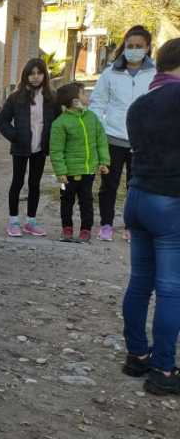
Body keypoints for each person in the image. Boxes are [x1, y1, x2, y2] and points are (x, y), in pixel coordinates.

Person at [120, 37, 180, 396]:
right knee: (171, 289)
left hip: (138, 198)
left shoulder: (139, 104)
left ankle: (137, 355)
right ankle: (164, 371)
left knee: (140, 280)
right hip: (169, 202)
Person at [90, 25, 156, 241]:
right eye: (130, 46)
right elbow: (97, 103)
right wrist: (101, 129)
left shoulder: (155, 73)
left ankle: (131, 226)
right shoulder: (110, 73)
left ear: (147, 48)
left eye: (139, 46)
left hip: (142, 142)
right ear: (124, 47)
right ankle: (106, 225)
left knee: (135, 187)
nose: (134, 49)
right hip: (113, 138)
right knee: (109, 185)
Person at [0, 58, 61, 237]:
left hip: (40, 149)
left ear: (44, 75)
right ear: (25, 75)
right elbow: (2, 121)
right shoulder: (16, 98)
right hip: (21, 148)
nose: (35, 77)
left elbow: (58, 122)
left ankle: (31, 222)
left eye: (39, 73)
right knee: (17, 182)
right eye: (31, 73)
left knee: (34, 184)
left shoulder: (51, 98)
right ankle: (13, 221)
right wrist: (15, 136)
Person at [48, 82, 110, 242]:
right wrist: (60, 172)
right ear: (75, 101)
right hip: (67, 174)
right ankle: (67, 229)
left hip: (88, 171)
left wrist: (103, 161)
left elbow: (101, 140)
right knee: (66, 201)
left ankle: (85, 230)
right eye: (83, 94)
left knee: (87, 201)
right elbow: (56, 151)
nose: (86, 96)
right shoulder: (60, 123)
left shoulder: (92, 118)